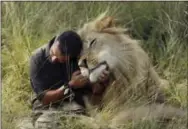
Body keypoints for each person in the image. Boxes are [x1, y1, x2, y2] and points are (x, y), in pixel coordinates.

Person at [29, 30, 110, 115]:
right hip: (48, 101)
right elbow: (44, 98)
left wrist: (100, 82)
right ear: (56, 41)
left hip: (74, 99)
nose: (53, 59)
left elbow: (94, 89)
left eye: (60, 59)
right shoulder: (37, 59)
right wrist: (71, 85)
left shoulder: (78, 58)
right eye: (52, 53)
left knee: (82, 114)